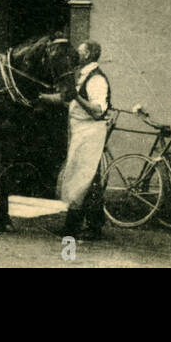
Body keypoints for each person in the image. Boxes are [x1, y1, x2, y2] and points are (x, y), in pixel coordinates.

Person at [40, 41, 111, 241]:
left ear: (88, 54)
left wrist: (77, 98)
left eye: (79, 52)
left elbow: (98, 111)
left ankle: (82, 227)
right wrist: (40, 96)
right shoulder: (83, 75)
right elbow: (66, 99)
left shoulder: (96, 79)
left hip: (91, 132)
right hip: (81, 131)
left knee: (84, 178)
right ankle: (84, 226)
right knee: (84, 177)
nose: (75, 55)